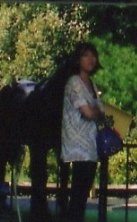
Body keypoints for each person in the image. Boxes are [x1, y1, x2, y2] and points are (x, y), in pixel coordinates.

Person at [60, 41, 106, 222]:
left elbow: (100, 111)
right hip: (77, 147)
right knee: (78, 194)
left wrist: (96, 112)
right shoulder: (74, 82)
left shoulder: (92, 84)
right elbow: (89, 112)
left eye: (93, 55)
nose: (91, 59)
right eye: (86, 55)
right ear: (78, 60)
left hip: (90, 145)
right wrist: (96, 112)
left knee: (82, 193)